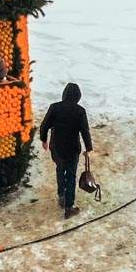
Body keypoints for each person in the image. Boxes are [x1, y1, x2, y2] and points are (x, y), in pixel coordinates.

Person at [38, 82, 93, 219]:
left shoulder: (54, 108)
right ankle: (69, 207)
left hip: (56, 148)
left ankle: (61, 195)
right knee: (71, 176)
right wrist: (88, 148)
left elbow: (44, 126)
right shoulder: (80, 111)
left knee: (59, 169)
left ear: (64, 94)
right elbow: (85, 131)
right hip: (72, 149)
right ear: (78, 97)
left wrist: (44, 139)